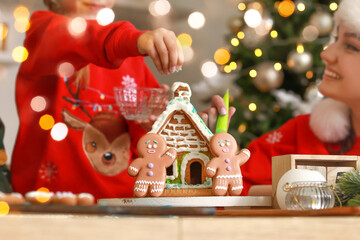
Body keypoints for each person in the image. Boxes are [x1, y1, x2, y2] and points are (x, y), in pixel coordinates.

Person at [11, 0, 234, 200]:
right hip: (53, 204)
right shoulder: (43, 31)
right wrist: (135, 38)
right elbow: (80, 36)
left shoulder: (131, 60)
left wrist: (192, 129)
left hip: (126, 205)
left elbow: (151, 148)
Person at [241, 0, 360, 196]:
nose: (327, 54)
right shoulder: (303, 132)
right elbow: (228, 186)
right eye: (336, 39)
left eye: (350, 46)